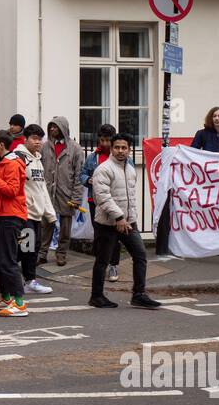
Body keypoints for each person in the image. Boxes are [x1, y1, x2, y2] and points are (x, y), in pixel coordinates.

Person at [89, 133, 159, 309]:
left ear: (129, 150)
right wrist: (118, 217)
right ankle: (96, 296)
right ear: (111, 149)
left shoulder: (129, 169)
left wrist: (129, 218)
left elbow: (130, 198)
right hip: (107, 224)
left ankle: (139, 294)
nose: (120, 151)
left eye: (124, 148)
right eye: (117, 147)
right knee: (103, 261)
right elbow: (102, 197)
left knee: (140, 255)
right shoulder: (103, 169)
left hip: (128, 223)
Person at [0, 130, 29, 317]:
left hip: (12, 215)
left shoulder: (12, 164)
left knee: (7, 260)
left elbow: (11, 190)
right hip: (1, 214)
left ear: (1, 145)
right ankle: (5, 296)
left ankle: (19, 302)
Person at [16, 124, 56, 298]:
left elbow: (42, 189)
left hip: (36, 213)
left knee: (32, 247)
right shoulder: (19, 158)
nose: (38, 142)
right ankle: (28, 281)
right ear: (25, 139)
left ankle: (13, 275)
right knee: (27, 248)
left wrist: (50, 214)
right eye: (34, 138)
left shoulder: (37, 160)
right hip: (24, 212)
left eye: (40, 139)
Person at [80, 123, 122, 278]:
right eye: (102, 140)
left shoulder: (120, 156)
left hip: (115, 200)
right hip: (95, 201)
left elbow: (128, 175)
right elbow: (82, 174)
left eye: (107, 140)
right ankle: (101, 263)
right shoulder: (93, 157)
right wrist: (88, 179)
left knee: (115, 234)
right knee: (99, 234)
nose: (104, 143)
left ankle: (113, 265)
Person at [39, 116, 83, 266]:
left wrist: (76, 198)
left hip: (66, 193)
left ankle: (61, 253)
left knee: (65, 226)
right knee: (46, 224)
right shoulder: (44, 147)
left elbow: (79, 175)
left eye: (55, 127)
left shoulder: (75, 148)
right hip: (47, 193)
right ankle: (42, 253)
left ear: (63, 128)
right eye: (50, 127)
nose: (52, 129)